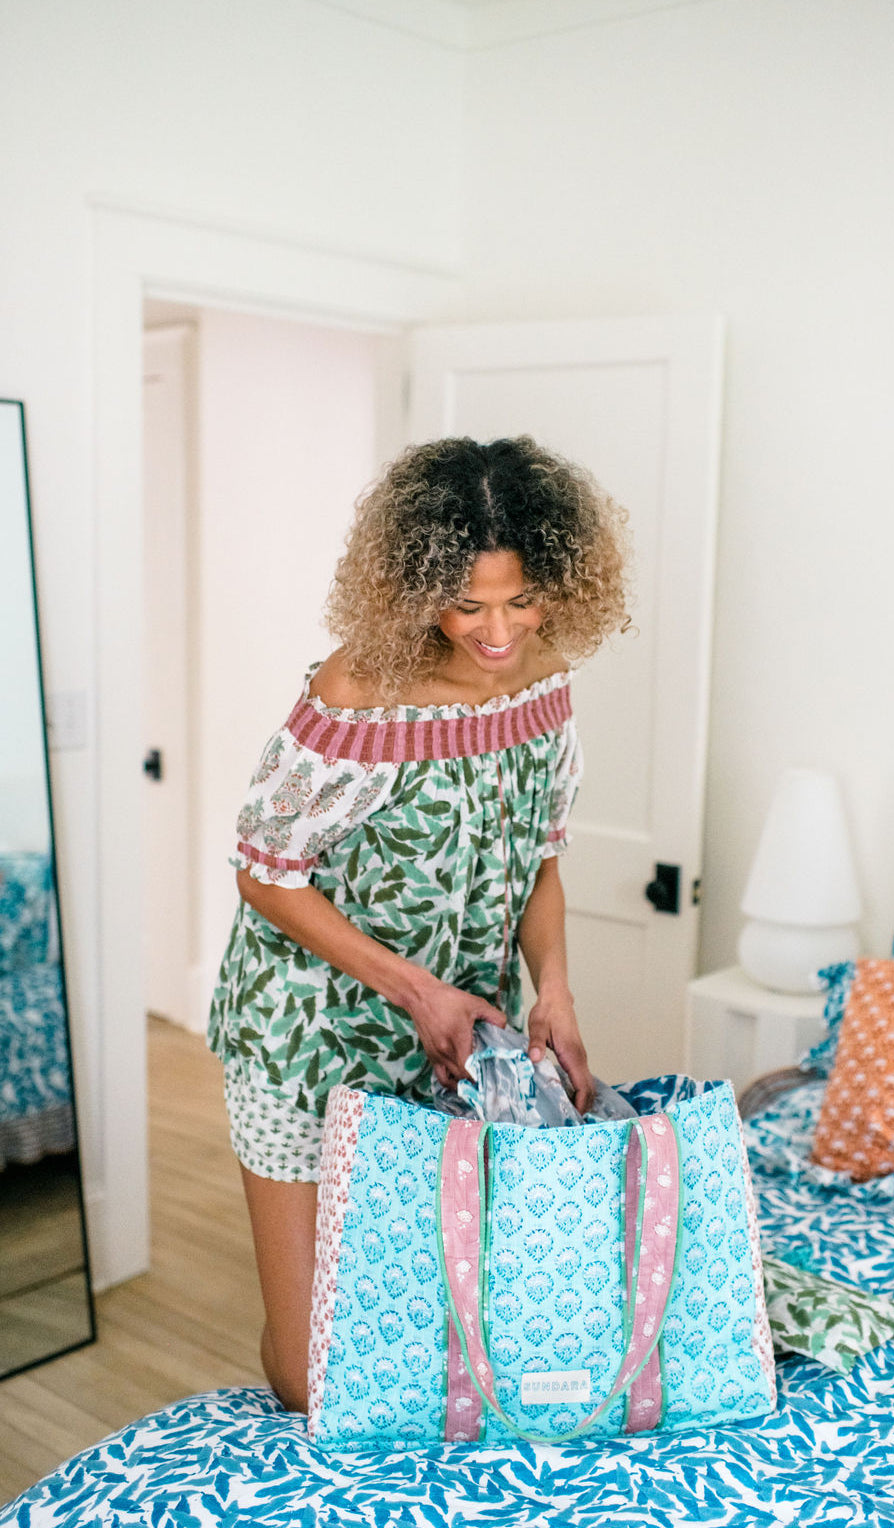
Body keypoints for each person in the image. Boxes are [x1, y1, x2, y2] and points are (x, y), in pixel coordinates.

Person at [207, 435, 631, 1412]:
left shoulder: (543, 678)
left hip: (447, 1041)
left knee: (419, 1320)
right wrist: (418, 990)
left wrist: (554, 991)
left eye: (521, 599)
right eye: (468, 602)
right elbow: (266, 876)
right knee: (318, 1365)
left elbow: (538, 856)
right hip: (309, 1035)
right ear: (415, 587)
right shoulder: (357, 694)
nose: (498, 630)